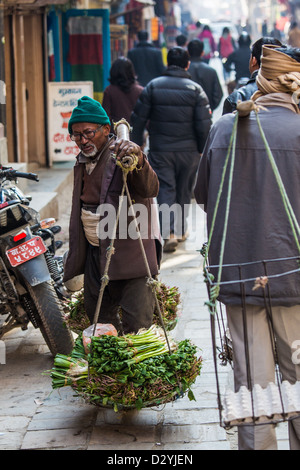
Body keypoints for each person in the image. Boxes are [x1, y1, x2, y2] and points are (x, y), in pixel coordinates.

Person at [194, 44, 300, 450]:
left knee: (253, 383)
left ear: (260, 80)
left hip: (238, 276)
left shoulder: (224, 128)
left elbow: (202, 194)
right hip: (292, 278)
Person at [63, 95, 161, 334]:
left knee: (137, 327)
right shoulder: (84, 161)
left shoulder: (122, 154)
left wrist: (138, 159)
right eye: (76, 135)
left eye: (88, 132)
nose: (82, 140)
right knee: (100, 320)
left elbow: (150, 188)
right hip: (96, 254)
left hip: (129, 255)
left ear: (106, 129)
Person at [131, 47, 212, 253]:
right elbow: (204, 124)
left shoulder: (153, 87)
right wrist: (203, 149)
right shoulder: (195, 89)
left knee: (166, 189)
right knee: (184, 190)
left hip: (161, 150)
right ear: (187, 64)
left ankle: (169, 233)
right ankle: (181, 229)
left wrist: (137, 143)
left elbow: (138, 119)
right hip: (189, 151)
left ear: (168, 63)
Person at [222, 36, 282, 114]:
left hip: (238, 79)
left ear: (253, 61)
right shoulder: (293, 91)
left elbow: (226, 123)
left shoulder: (235, 98)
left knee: (229, 85)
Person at [102, 57, 143, 134]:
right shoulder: (140, 91)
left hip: (116, 137)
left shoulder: (109, 91)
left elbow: (106, 117)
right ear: (131, 72)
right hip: (136, 136)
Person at [188, 39, 223, 113]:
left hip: (187, 113)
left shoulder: (184, 70)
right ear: (202, 53)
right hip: (206, 111)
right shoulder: (211, 71)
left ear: (188, 52)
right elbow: (218, 94)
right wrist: (210, 107)